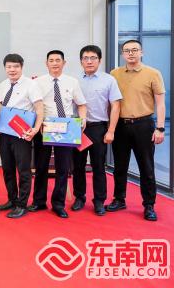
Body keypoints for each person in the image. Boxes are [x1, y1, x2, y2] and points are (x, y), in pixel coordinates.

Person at [109, 39, 165, 221]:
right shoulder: (114, 74)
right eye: (127, 50)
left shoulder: (153, 73)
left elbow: (160, 103)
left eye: (134, 50)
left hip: (144, 125)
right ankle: (119, 199)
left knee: (146, 167)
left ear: (142, 52)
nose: (131, 53)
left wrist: (160, 128)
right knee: (120, 166)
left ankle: (149, 205)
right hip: (121, 126)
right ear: (122, 54)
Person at [29, 50, 87, 219]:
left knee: (63, 168)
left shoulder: (72, 82)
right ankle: (39, 201)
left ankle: (58, 204)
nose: (55, 63)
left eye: (58, 60)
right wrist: (37, 124)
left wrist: (83, 119)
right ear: (46, 63)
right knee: (41, 166)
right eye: (51, 60)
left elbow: (81, 104)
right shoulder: (37, 82)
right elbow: (33, 105)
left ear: (64, 63)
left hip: (66, 129)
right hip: (44, 127)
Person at [73, 45, 122, 216]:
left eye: (93, 58)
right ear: (81, 61)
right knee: (77, 165)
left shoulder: (109, 80)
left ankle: (99, 200)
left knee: (98, 166)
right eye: (85, 58)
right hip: (77, 128)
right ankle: (79, 197)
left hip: (98, 128)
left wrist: (111, 130)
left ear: (99, 60)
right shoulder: (74, 81)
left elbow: (116, 106)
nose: (89, 61)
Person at [0, 54, 44, 218]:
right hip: (4, 133)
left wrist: (35, 129)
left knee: (23, 170)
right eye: (9, 67)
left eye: (15, 66)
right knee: (7, 168)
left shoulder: (31, 84)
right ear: (5, 68)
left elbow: (39, 108)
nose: (12, 70)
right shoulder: (2, 85)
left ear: (21, 67)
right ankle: (12, 200)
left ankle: (22, 205)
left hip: (22, 133)